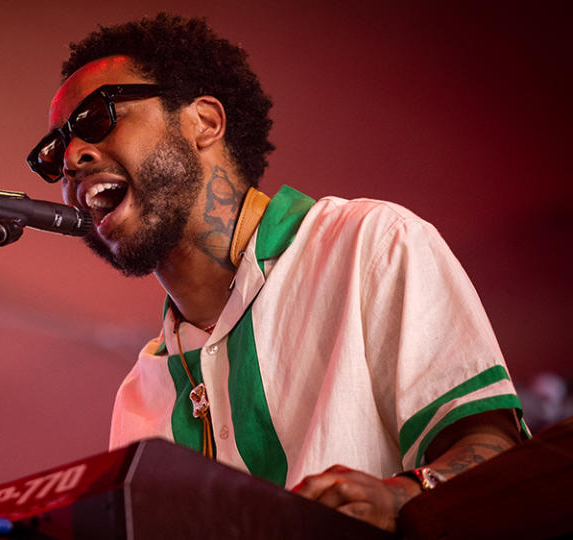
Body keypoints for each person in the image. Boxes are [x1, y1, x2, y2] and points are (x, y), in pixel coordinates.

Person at [26, 13, 526, 532]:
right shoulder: (140, 393)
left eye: (96, 117)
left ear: (204, 122)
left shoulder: (370, 244)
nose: (71, 158)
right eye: (53, 152)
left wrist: (402, 495)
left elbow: (497, 451)